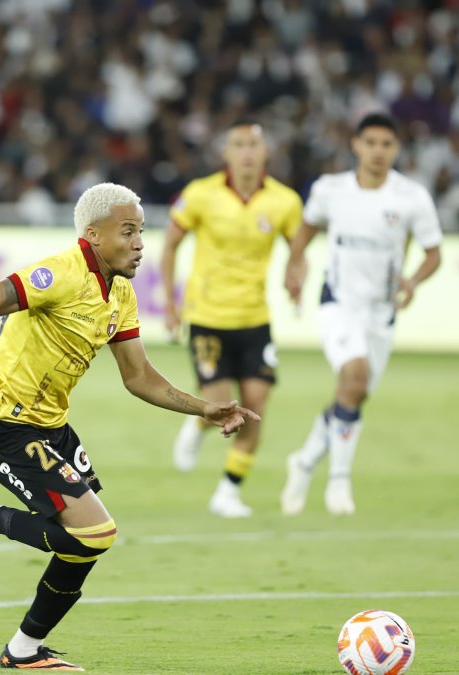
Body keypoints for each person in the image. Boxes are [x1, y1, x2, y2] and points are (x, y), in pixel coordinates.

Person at [0, 183, 258, 671]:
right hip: (5, 424)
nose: (139, 243)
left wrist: (203, 408)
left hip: (52, 430)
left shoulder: (121, 293)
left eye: (141, 232)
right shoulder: (61, 273)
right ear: (92, 235)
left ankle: (23, 650)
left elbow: (138, 377)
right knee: (95, 533)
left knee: (82, 546)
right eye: (127, 232)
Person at [279, 113, 443, 517]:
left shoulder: (411, 197)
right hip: (339, 303)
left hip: (381, 313)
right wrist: (294, 266)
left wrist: (412, 281)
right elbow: (306, 228)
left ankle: (303, 461)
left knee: (353, 393)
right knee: (354, 377)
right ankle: (339, 481)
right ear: (355, 145)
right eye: (370, 142)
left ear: (396, 149)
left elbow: (434, 253)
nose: (378, 151)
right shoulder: (330, 189)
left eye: (386, 144)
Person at [160, 120, 302, 518]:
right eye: (238, 144)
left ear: (265, 152)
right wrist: (170, 304)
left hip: (255, 320)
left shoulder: (284, 202)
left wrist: (297, 274)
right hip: (208, 317)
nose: (246, 151)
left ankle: (228, 491)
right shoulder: (200, 194)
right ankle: (198, 425)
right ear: (225, 153)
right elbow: (170, 245)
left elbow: (299, 247)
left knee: (256, 405)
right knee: (222, 404)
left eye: (254, 144)